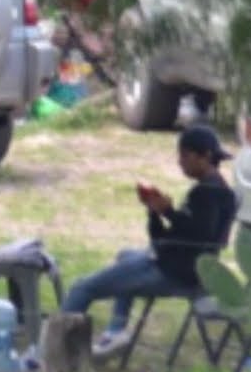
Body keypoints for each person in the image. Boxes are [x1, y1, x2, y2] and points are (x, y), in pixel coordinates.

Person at [61, 124, 238, 358]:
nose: (180, 161)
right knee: (125, 256)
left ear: (205, 156)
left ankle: (53, 351)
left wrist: (170, 213)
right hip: (177, 263)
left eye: (185, 155)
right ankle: (116, 332)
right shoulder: (211, 190)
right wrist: (155, 212)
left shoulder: (210, 193)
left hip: (174, 272)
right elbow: (168, 236)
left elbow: (200, 236)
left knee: (82, 288)